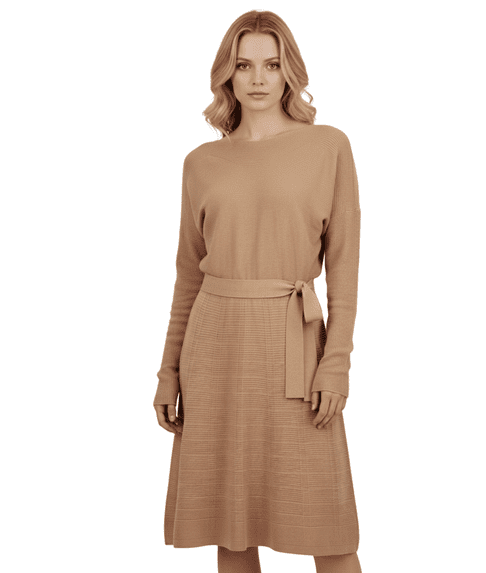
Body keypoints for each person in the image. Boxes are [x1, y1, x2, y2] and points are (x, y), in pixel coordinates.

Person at [153, 10, 362, 573]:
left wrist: (337, 363)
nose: (258, 78)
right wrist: (168, 371)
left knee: (329, 531)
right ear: (227, 73)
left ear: (289, 71)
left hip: (296, 346)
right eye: (244, 65)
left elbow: (344, 266)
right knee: (232, 529)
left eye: (271, 64)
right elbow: (188, 276)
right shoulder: (201, 162)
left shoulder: (328, 146)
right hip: (215, 350)